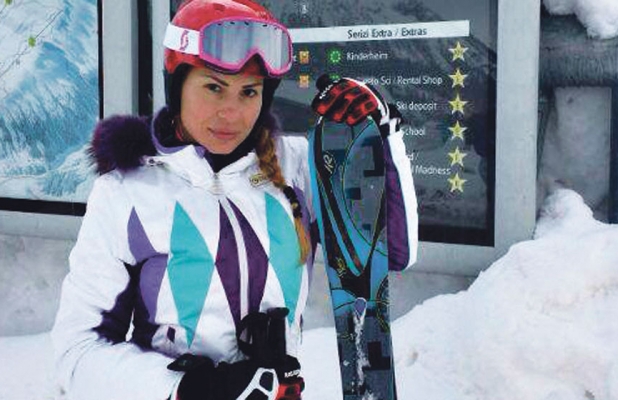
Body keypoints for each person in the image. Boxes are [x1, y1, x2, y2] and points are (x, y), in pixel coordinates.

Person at [51, 0, 417, 399]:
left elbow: (392, 253)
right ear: (177, 84)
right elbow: (78, 353)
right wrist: (189, 389)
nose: (231, 112)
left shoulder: (299, 168)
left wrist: (380, 138)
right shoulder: (127, 191)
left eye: (249, 91)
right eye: (214, 87)